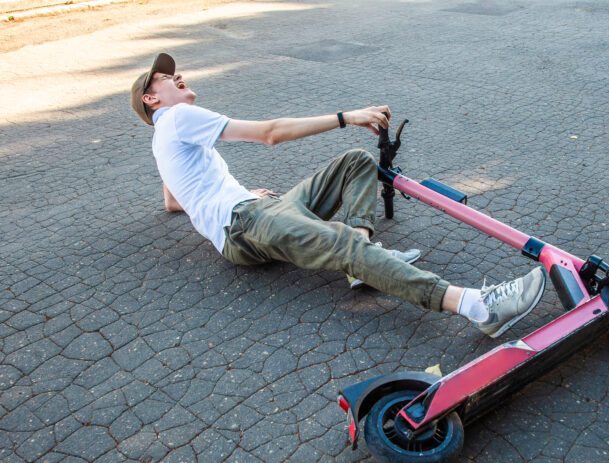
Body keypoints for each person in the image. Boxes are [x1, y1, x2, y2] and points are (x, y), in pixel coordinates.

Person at [130, 53, 546, 338]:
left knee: (356, 161)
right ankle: (479, 307)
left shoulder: (162, 140)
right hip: (247, 223)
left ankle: (362, 260)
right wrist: (347, 117)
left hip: (253, 211)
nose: (176, 76)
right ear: (152, 98)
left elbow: (172, 200)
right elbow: (270, 134)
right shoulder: (178, 116)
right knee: (341, 241)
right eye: (165, 77)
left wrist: (231, 196)